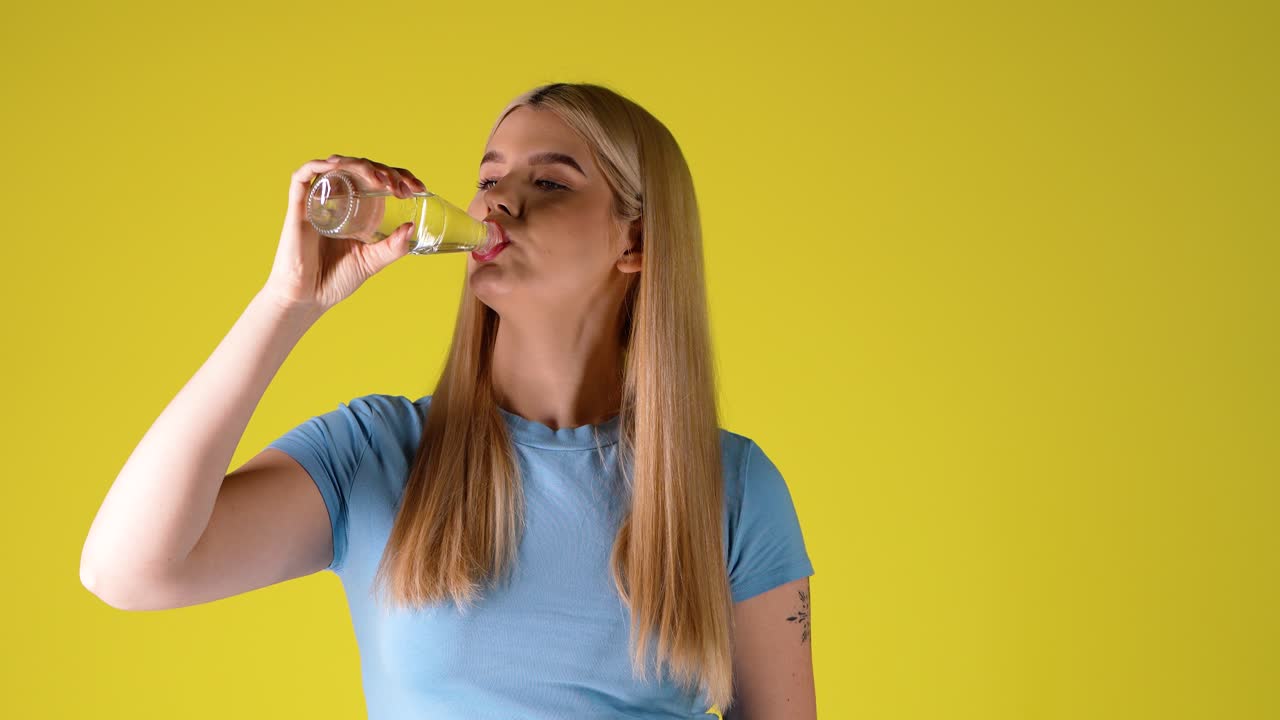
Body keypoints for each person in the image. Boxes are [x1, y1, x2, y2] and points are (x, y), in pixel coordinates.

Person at [80, 82, 816, 719]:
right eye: (489, 177)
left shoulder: (732, 487)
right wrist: (287, 303)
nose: (499, 201)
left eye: (551, 182)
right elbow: (128, 572)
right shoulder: (376, 454)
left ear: (637, 240)